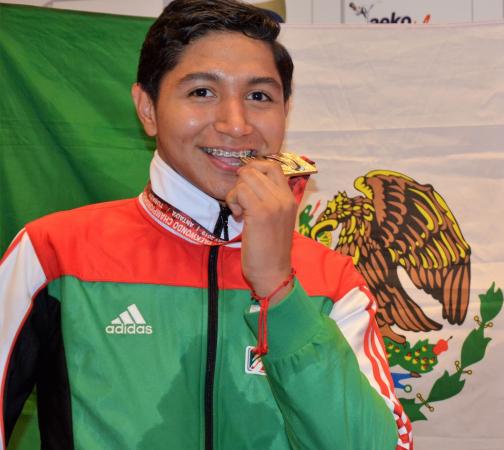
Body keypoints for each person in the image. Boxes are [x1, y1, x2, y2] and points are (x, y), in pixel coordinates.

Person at [0, 0, 412, 448]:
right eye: (201, 92)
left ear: (285, 109)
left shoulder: (333, 279)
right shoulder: (52, 252)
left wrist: (279, 289)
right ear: (148, 108)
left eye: (259, 96)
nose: (235, 125)